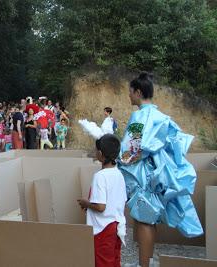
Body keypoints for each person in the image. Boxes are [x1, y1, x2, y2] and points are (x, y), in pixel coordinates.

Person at [120, 72, 203, 267]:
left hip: (142, 176)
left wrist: (118, 160)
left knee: (143, 220)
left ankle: (143, 265)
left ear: (138, 92)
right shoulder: (160, 116)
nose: (129, 96)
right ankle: (145, 262)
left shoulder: (139, 116)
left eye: (130, 92)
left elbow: (134, 149)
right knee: (148, 218)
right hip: (156, 174)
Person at [77, 134, 126, 267]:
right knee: (114, 260)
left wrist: (86, 203)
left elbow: (100, 207)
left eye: (96, 149)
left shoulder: (100, 176)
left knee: (103, 262)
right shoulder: (119, 174)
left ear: (100, 153)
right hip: (117, 225)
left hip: (103, 228)